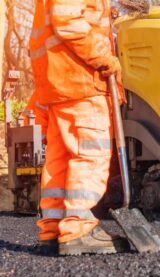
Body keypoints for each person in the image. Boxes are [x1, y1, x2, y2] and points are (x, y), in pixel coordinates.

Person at [30, 0, 129, 255]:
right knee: (90, 153)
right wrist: (104, 58)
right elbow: (68, 20)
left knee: (60, 158)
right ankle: (78, 228)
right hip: (82, 81)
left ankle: (54, 228)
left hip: (59, 84)